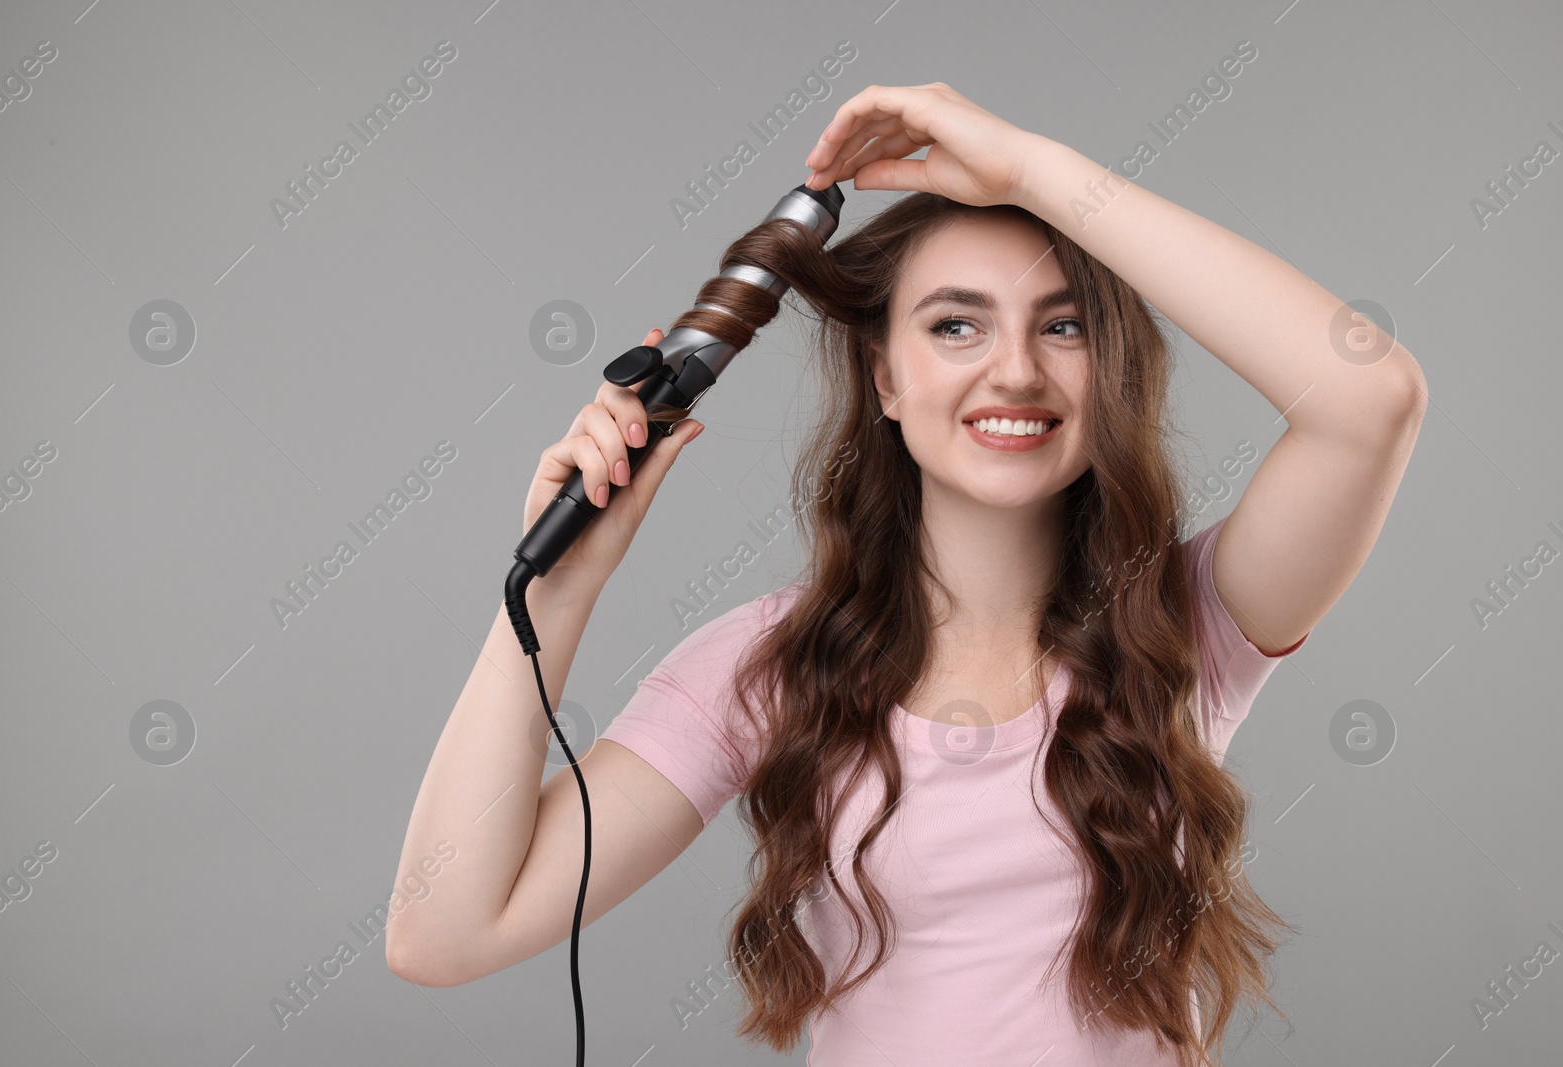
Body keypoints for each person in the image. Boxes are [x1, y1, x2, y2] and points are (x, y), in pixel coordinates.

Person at [386, 83, 1427, 1066]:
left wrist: (1025, 168)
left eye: (1061, 325)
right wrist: (557, 592)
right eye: (955, 324)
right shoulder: (770, 664)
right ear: (885, 374)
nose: (1014, 369)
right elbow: (444, 932)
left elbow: (1367, 398)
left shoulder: (1186, 625)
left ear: (1106, 371)